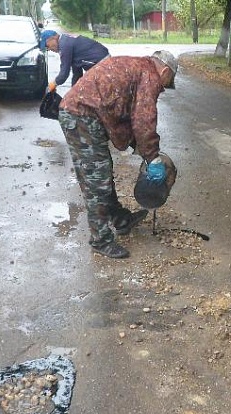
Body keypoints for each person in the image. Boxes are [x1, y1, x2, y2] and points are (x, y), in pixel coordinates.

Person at [56, 50, 178, 259]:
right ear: (165, 71)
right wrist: (152, 157)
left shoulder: (138, 67)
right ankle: (100, 240)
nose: (163, 88)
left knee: (102, 172)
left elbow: (127, 113)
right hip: (81, 115)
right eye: (167, 83)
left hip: (85, 114)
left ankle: (121, 219)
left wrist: (140, 148)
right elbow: (143, 121)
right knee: (97, 180)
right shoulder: (150, 76)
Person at [41, 30, 110, 93]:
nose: (49, 49)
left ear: (53, 38)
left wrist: (53, 84)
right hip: (103, 61)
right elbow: (77, 73)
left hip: (102, 64)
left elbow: (64, 74)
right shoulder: (66, 40)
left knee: (94, 93)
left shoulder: (64, 45)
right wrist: (73, 91)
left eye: (47, 46)